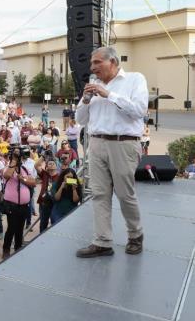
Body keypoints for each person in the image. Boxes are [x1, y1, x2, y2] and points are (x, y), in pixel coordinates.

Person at [75, 46, 148, 258]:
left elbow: (139, 111)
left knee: (125, 194)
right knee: (99, 194)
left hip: (123, 144)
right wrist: (86, 99)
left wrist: (109, 95)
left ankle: (135, 235)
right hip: (96, 143)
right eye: (92, 63)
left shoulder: (135, 79)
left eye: (97, 62)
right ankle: (102, 241)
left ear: (112, 62)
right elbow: (80, 120)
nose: (92, 67)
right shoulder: (93, 86)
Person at [1, 147, 37, 259]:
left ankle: (17, 248)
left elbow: (33, 182)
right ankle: (6, 249)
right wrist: (13, 162)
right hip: (11, 204)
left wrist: (23, 180)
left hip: (24, 205)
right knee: (11, 227)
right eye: (15, 156)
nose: (17, 158)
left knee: (20, 228)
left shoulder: (25, 169)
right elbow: (7, 175)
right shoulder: (7, 167)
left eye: (19, 157)